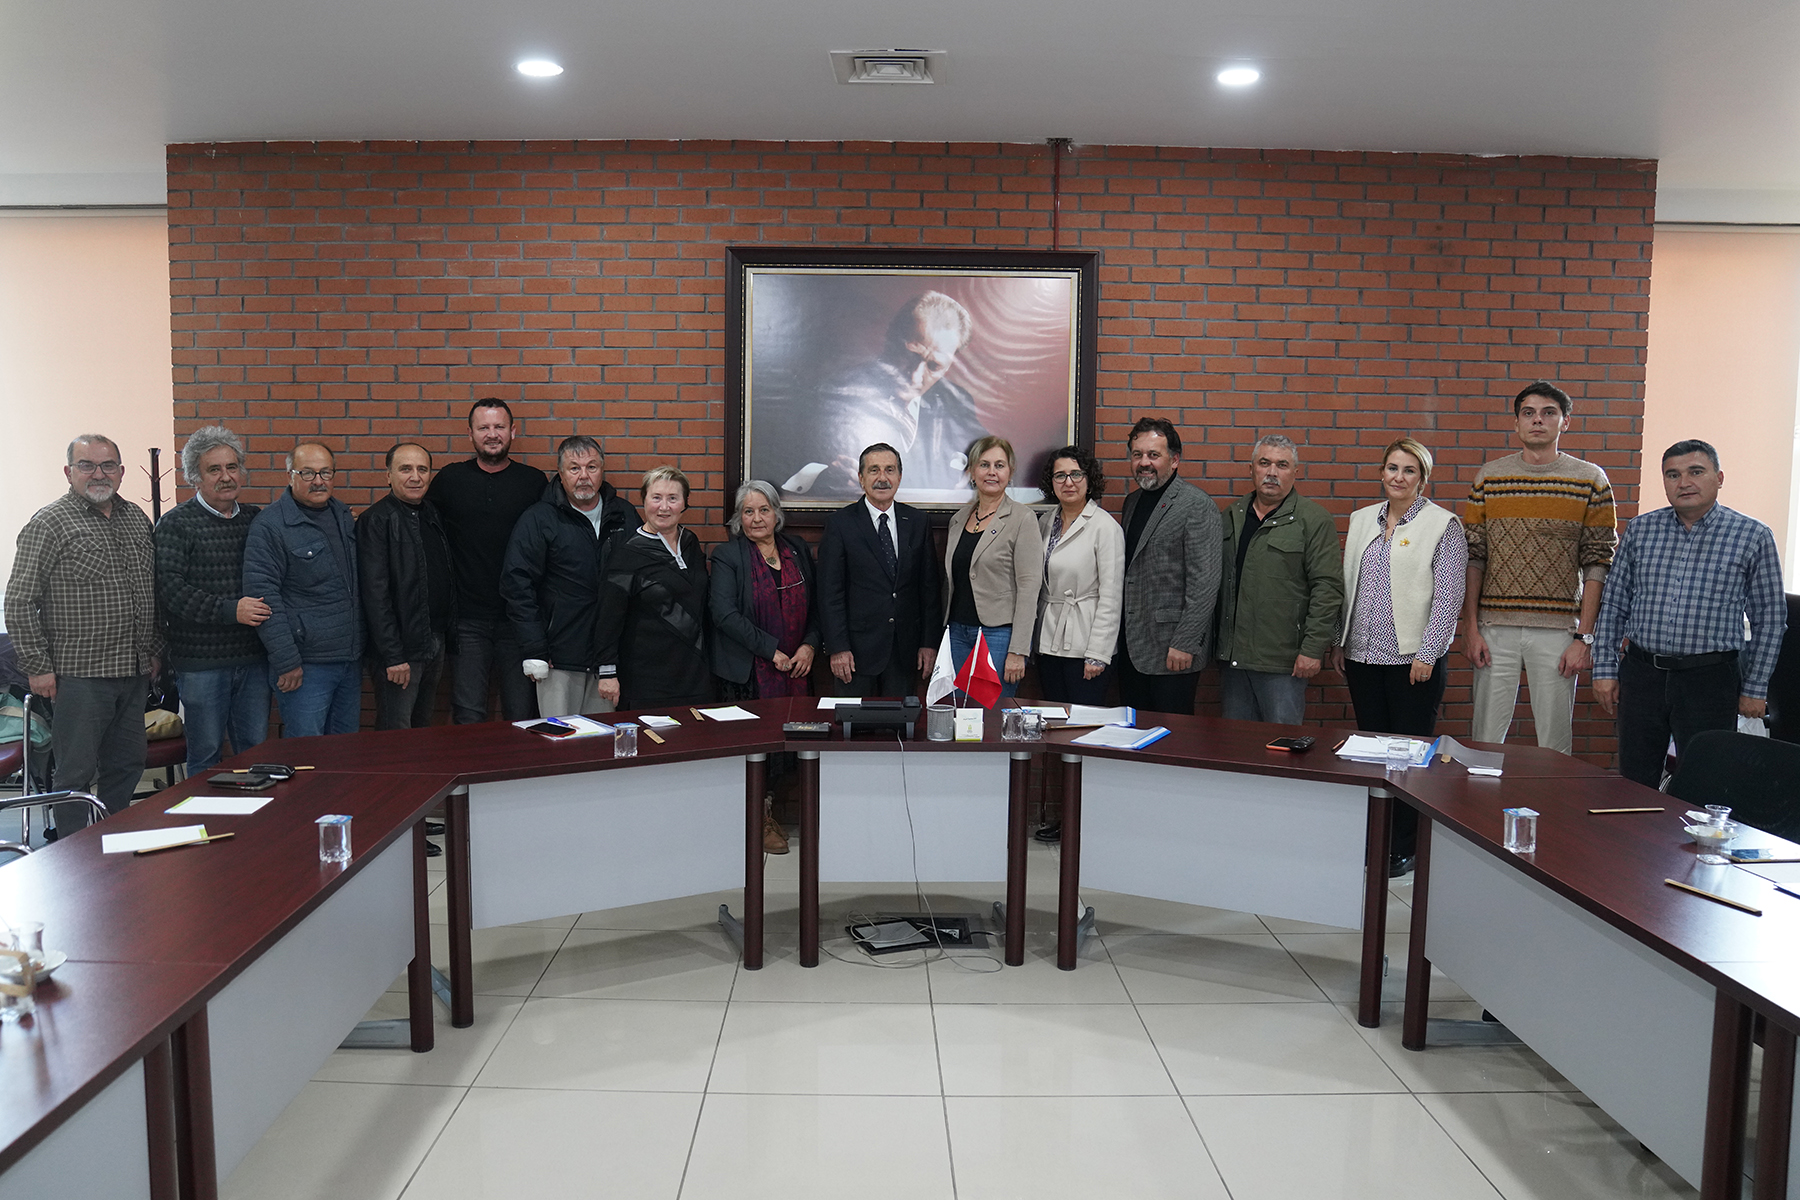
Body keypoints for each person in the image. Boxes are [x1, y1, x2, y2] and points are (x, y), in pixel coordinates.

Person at [1592, 440, 1786, 787]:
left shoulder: (1752, 536)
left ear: (1719, 478)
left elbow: (1769, 619)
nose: (1684, 483)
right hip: (1642, 676)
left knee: (1706, 781)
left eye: (1696, 472)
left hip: (1710, 680)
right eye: (1673, 475)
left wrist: (1755, 687)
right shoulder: (1641, 530)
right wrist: (1604, 668)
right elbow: (1615, 603)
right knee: (1635, 781)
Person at [5, 434, 162, 830]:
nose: (98, 474)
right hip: (79, 677)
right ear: (68, 471)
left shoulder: (136, 519)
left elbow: (151, 590)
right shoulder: (50, 523)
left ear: (121, 471)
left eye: (107, 465)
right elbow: (19, 601)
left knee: (128, 763)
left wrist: (154, 649)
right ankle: (75, 852)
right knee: (75, 773)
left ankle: (113, 840)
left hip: (133, 672)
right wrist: (38, 666)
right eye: (87, 465)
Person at [1328, 439, 1467, 875]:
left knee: (1408, 759)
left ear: (1422, 478)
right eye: (1392, 468)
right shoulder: (1361, 519)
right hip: (1363, 657)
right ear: (1381, 472)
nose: (1399, 477)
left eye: (1409, 470)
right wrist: (1339, 641)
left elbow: (1448, 597)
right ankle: (1376, 837)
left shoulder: (1443, 525)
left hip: (1413, 663)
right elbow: (1347, 585)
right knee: (1372, 752)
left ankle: (1405, 845)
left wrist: (1429, 652)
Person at [1461, 381, 1617, 754]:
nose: (1537, 420)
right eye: (1528, 413)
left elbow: (1598, 562)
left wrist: (1584, 638)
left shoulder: (1590, 480)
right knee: (1485, 742)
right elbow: (1473, 556)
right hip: (1494, 629)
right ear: (1516, 422)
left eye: (1549, 413)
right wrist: (1470, 629)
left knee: (1555, 744)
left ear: (1565, 422)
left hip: (1559, 631)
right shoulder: (1489, 477)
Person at [777, 292, 988, 500]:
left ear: (950, 364)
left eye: (934, 366)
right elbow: (787, 474)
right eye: (911, 354)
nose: (915, 376)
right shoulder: (832, 394)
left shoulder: (955, 403)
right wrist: (828, 479)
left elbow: (990, 460)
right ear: (891, 340)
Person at [709, 480, 819, 854]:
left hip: (796, 673)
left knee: (789, 747)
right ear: (739, 518)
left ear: (776, 514)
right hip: (748, 676)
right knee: (754, 750)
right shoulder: (728, 555)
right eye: (748, 511)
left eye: (764, 510)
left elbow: (817, 606)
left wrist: (809, 645)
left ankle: (769, 812)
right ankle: (759, 820)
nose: (757, 518)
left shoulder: (796, 549)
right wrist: (771, 651)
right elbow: (724, 613)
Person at [154, 425, 271, 773]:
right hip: (201, 664)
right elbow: (171, 591)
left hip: (253, 660)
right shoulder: (176, 525)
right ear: (195, 477)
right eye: (214, 470)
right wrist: (231, 610)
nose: (226, 477)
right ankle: (203, 811)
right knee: (205, 756)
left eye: (232, 467)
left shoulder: (256, 520)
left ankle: (255, 811)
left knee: (255, 753)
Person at [426, 399, 549, 723]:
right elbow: (419, 528)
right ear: (470, 434)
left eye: (499, 427)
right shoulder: (449, 480)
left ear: (513, 431)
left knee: (522, 714)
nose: (492, 434)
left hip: (519, 619)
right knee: (468, 713)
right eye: (483, 427)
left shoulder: (534, 482)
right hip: (466, 620)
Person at [500, 435, 634, 718]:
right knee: (561, 737)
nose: (584, 476)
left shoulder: (624, 515)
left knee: (603, 738)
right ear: (560, 474)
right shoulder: (539, 519)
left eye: (591, 467)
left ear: (602, 471)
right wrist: (535, 647)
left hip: (610, 659)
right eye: (574, 468)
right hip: (558, 658)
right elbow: (517, 584)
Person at [1215, 435, 1344, 726]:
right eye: (1264, 463)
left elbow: (1328, 589)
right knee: (1233, 744)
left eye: (1282, 465)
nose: (1272, 472)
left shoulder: (1313, 520)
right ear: (1251, 469)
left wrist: (1312, 649)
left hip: (1284, 664)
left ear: (1295, 472)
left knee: (1281, 744)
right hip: (1233, 661)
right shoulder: (1232, 516)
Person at [243, 442, 363, 738]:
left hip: (349, 661)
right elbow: (264, 598)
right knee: (306, 754)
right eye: (307, 473)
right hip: (305, 668)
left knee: (347, 754)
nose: (318, 481)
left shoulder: (343, 516)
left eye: (325, 472)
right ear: (290, 475)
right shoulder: (270, 526)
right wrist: (287, 662)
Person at [816, 443, 943, 697]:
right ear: (861, 478)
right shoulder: (840, 524)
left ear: (899, 477)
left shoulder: (917, 522)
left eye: (889, 470)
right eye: (874, 470)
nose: (882, 478)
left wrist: (929, 643)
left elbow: (929, 588)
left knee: (901, 721)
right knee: (852, 721)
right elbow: (830, 593)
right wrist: (837, 647)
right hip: (854, 654)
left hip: (904, 652)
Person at [1116, 417, 1221, 716]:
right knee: (1134, 730)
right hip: (1133, 645)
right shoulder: (1132, 502)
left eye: (1153, 455)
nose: (1144, 463)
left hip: (1173, 650)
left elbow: (1205, 583)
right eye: (1137, 455)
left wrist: (1186, 642)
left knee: (1174, 735)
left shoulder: (1196, 505)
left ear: (1174, 460)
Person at [596, 467, 712, 709]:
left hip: (694, 674)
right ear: (644, 500)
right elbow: (608, 617)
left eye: (673, 498)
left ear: (685, 503)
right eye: (656, 497)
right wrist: (607, 672)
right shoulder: (626, 554)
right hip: (646, 680)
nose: (664, 507)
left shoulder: (690, 543)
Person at [358, 443, 454, 730]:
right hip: (401, 649)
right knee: (396, 732)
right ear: (388, 475)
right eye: (405, 469)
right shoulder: (376, 520)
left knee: (421, 728)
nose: (415, 477)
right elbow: (375, 594)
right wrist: (393, 656)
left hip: (433, 640)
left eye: (422, 469)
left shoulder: (431, 514)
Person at [941, 436, 1043, 701]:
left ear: (1010, 472)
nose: (992, 472)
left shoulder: (1022, 518)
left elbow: (1029, 587)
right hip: (957, 633)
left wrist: (1018, 650)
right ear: (972, 472)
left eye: (999, 465)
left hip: (997, 636)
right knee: (962, 713)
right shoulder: (958, 520)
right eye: (984, 465)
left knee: (990, 714)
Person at [1033, 445, 1124, 705]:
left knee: (1082, 723)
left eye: (1076, 474)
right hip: (1048, 642)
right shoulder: (1045, 523)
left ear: (1089, 478)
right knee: (1054, 718)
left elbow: (1111, 596)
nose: (1068, 482)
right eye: (1060, 475)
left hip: (1086, 646)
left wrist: (1098, 653)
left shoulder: (1105, 527)